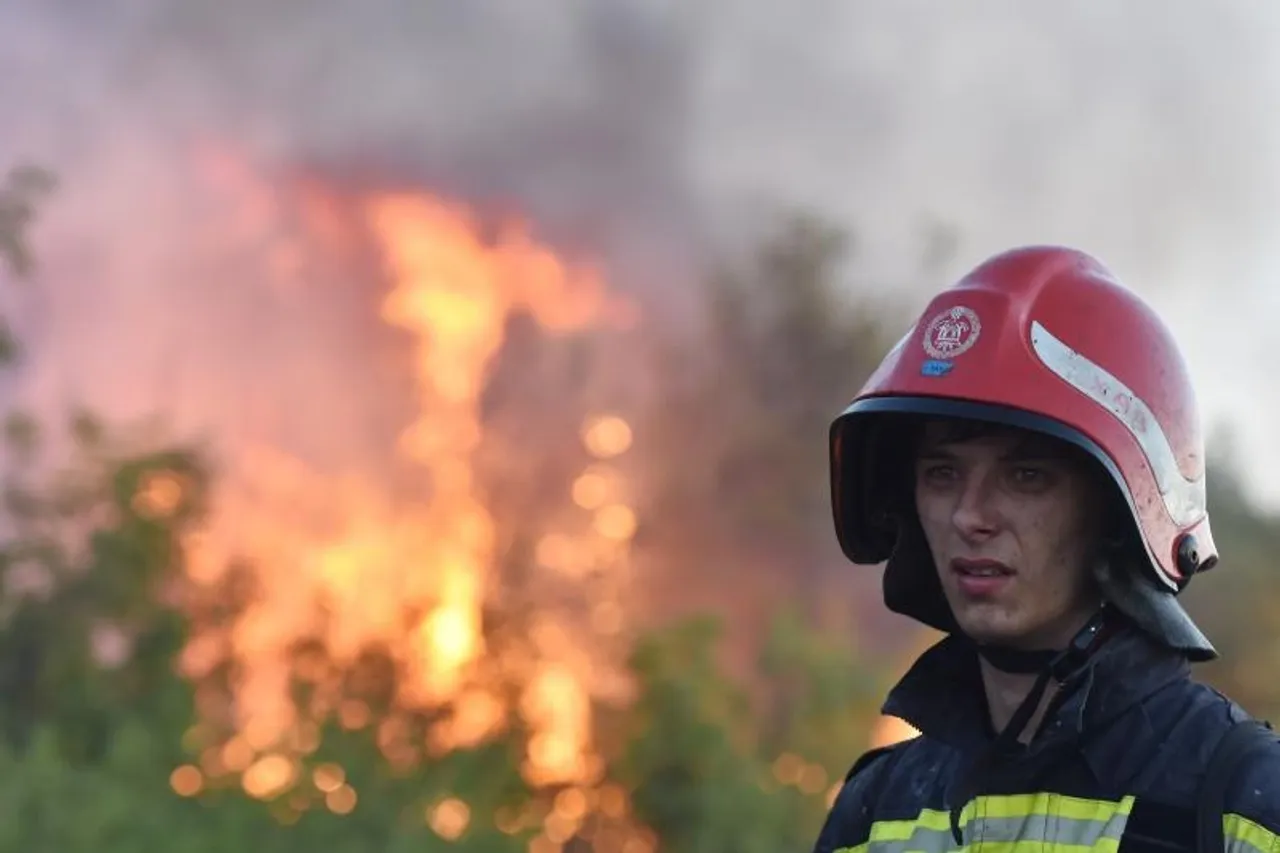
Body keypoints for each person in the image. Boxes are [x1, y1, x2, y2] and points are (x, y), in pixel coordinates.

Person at [812, 245, 1280, 853]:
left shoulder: (1244, 805)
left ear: (1119, 514)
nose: (968, 515)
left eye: (1026, 476)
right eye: (942, 473)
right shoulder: (876, 811)